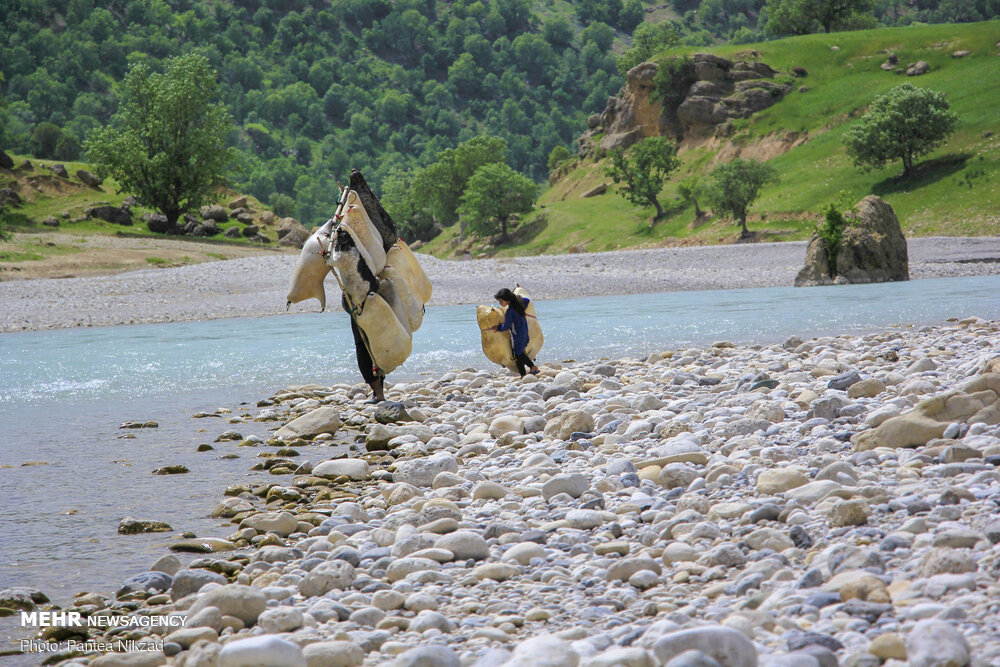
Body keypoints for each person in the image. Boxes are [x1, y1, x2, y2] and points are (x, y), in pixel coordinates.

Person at [492, 288, 540, 377]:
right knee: (518, 354)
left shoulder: (510, 312)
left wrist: (498, 327)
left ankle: (531, 367)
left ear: (508, 300)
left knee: (518, 354)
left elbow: (506, 326)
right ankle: (524, 373)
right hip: (524, 332)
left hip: (517, 335)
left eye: (501, 301)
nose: (500, 304)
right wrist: (517, 297)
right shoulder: (520, 305)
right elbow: (527, 300)